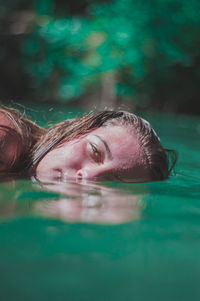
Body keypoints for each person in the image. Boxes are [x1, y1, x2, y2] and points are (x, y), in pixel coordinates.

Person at [0, 105, 177, 183]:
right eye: (95, 152)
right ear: (74, 129)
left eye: (111, 181)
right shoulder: (7, 138)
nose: (88, 176)